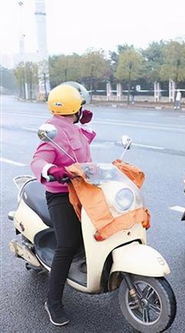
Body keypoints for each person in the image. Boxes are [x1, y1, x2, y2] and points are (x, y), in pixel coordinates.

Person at [31, 82, 95, 325]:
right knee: (67, 245)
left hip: (85, 188)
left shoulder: (72, 125)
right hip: (60, 193)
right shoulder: (51, 130)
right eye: (82, 107)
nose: (83, 110)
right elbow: (38, 160)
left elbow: (81, 149)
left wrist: (84, 124)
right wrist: (52, 171)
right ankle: (53, 302)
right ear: (75, 107)